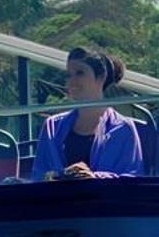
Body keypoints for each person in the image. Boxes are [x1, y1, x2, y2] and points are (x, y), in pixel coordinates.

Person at [31, 47, 142, 180]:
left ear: (101, 77)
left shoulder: (123, 128)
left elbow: (133, 179)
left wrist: (93, 178)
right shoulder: (51, 127)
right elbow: (38, 176)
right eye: (69, 75)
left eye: (80, 73)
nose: (72, 81)